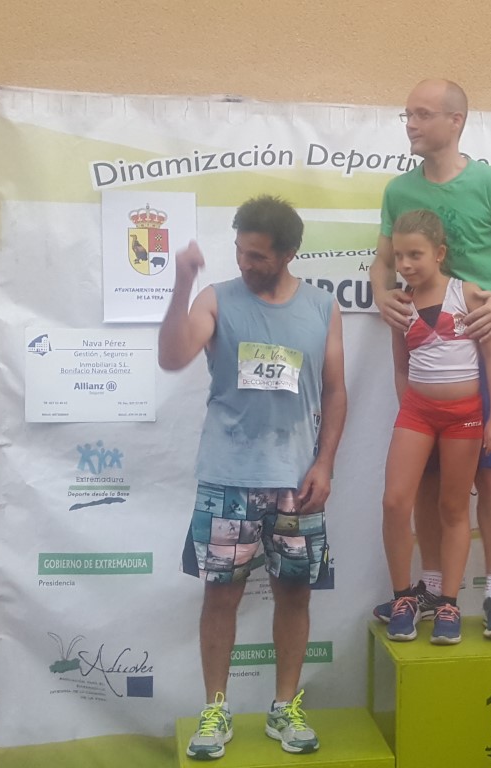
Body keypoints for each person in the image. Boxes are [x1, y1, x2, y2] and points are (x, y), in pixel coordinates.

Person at [159, 195, 347, 760]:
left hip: (297, 482)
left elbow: (335, 390)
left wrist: (325, 464)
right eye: (240, 251)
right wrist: (182, 284)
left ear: (288, 254)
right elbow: (173, 357)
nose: (245, 263)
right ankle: (215, 710)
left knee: (294, 594)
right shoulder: (216, 298)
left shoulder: (322, 306)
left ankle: (284, 707)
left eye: (258, 256)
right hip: (228, 479)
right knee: (221, 597)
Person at [369, 78, 491, 638]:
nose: (411, 124)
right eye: (407, 114)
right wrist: (380, 295)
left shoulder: (490, 182)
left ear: (456, 122)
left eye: (422, 114)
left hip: (488, 347)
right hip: (428, 354)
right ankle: (429, 590)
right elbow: (382, 263)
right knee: (426, 479)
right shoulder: (399, 191)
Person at [379, 209, 491, 645]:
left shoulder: (466, 294)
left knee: (453, 509)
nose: (405, 264)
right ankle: (403, 598)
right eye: (399, 256)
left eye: (415, 255)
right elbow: (401, 366)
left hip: (465, 416)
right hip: (417, 413)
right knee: (395, 502)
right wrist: (408, 417)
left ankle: (448, 603)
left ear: (439, 253)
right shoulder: (399, 304)